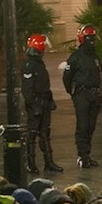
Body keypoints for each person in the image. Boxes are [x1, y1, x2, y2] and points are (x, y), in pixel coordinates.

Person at [63, 24, 102, 169]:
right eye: (88, 37)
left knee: (91, 127)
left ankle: (87, 154)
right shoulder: (75, 57)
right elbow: (66, 77)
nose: (91, 40)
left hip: (94, 95)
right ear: (82, 38)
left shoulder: (95, 56)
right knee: (83, 126)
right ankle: (82, 156)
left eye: (93, 37)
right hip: (82, 95)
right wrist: (73, 93)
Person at [22, 34, 62, 174]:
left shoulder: (38, 63)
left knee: (45, 134)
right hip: (35, 104)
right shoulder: (29, 64)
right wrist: (33, 105)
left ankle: (49, 162)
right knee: (32, 134)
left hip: (44, 102)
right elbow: (27, 89)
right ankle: (31, 164)